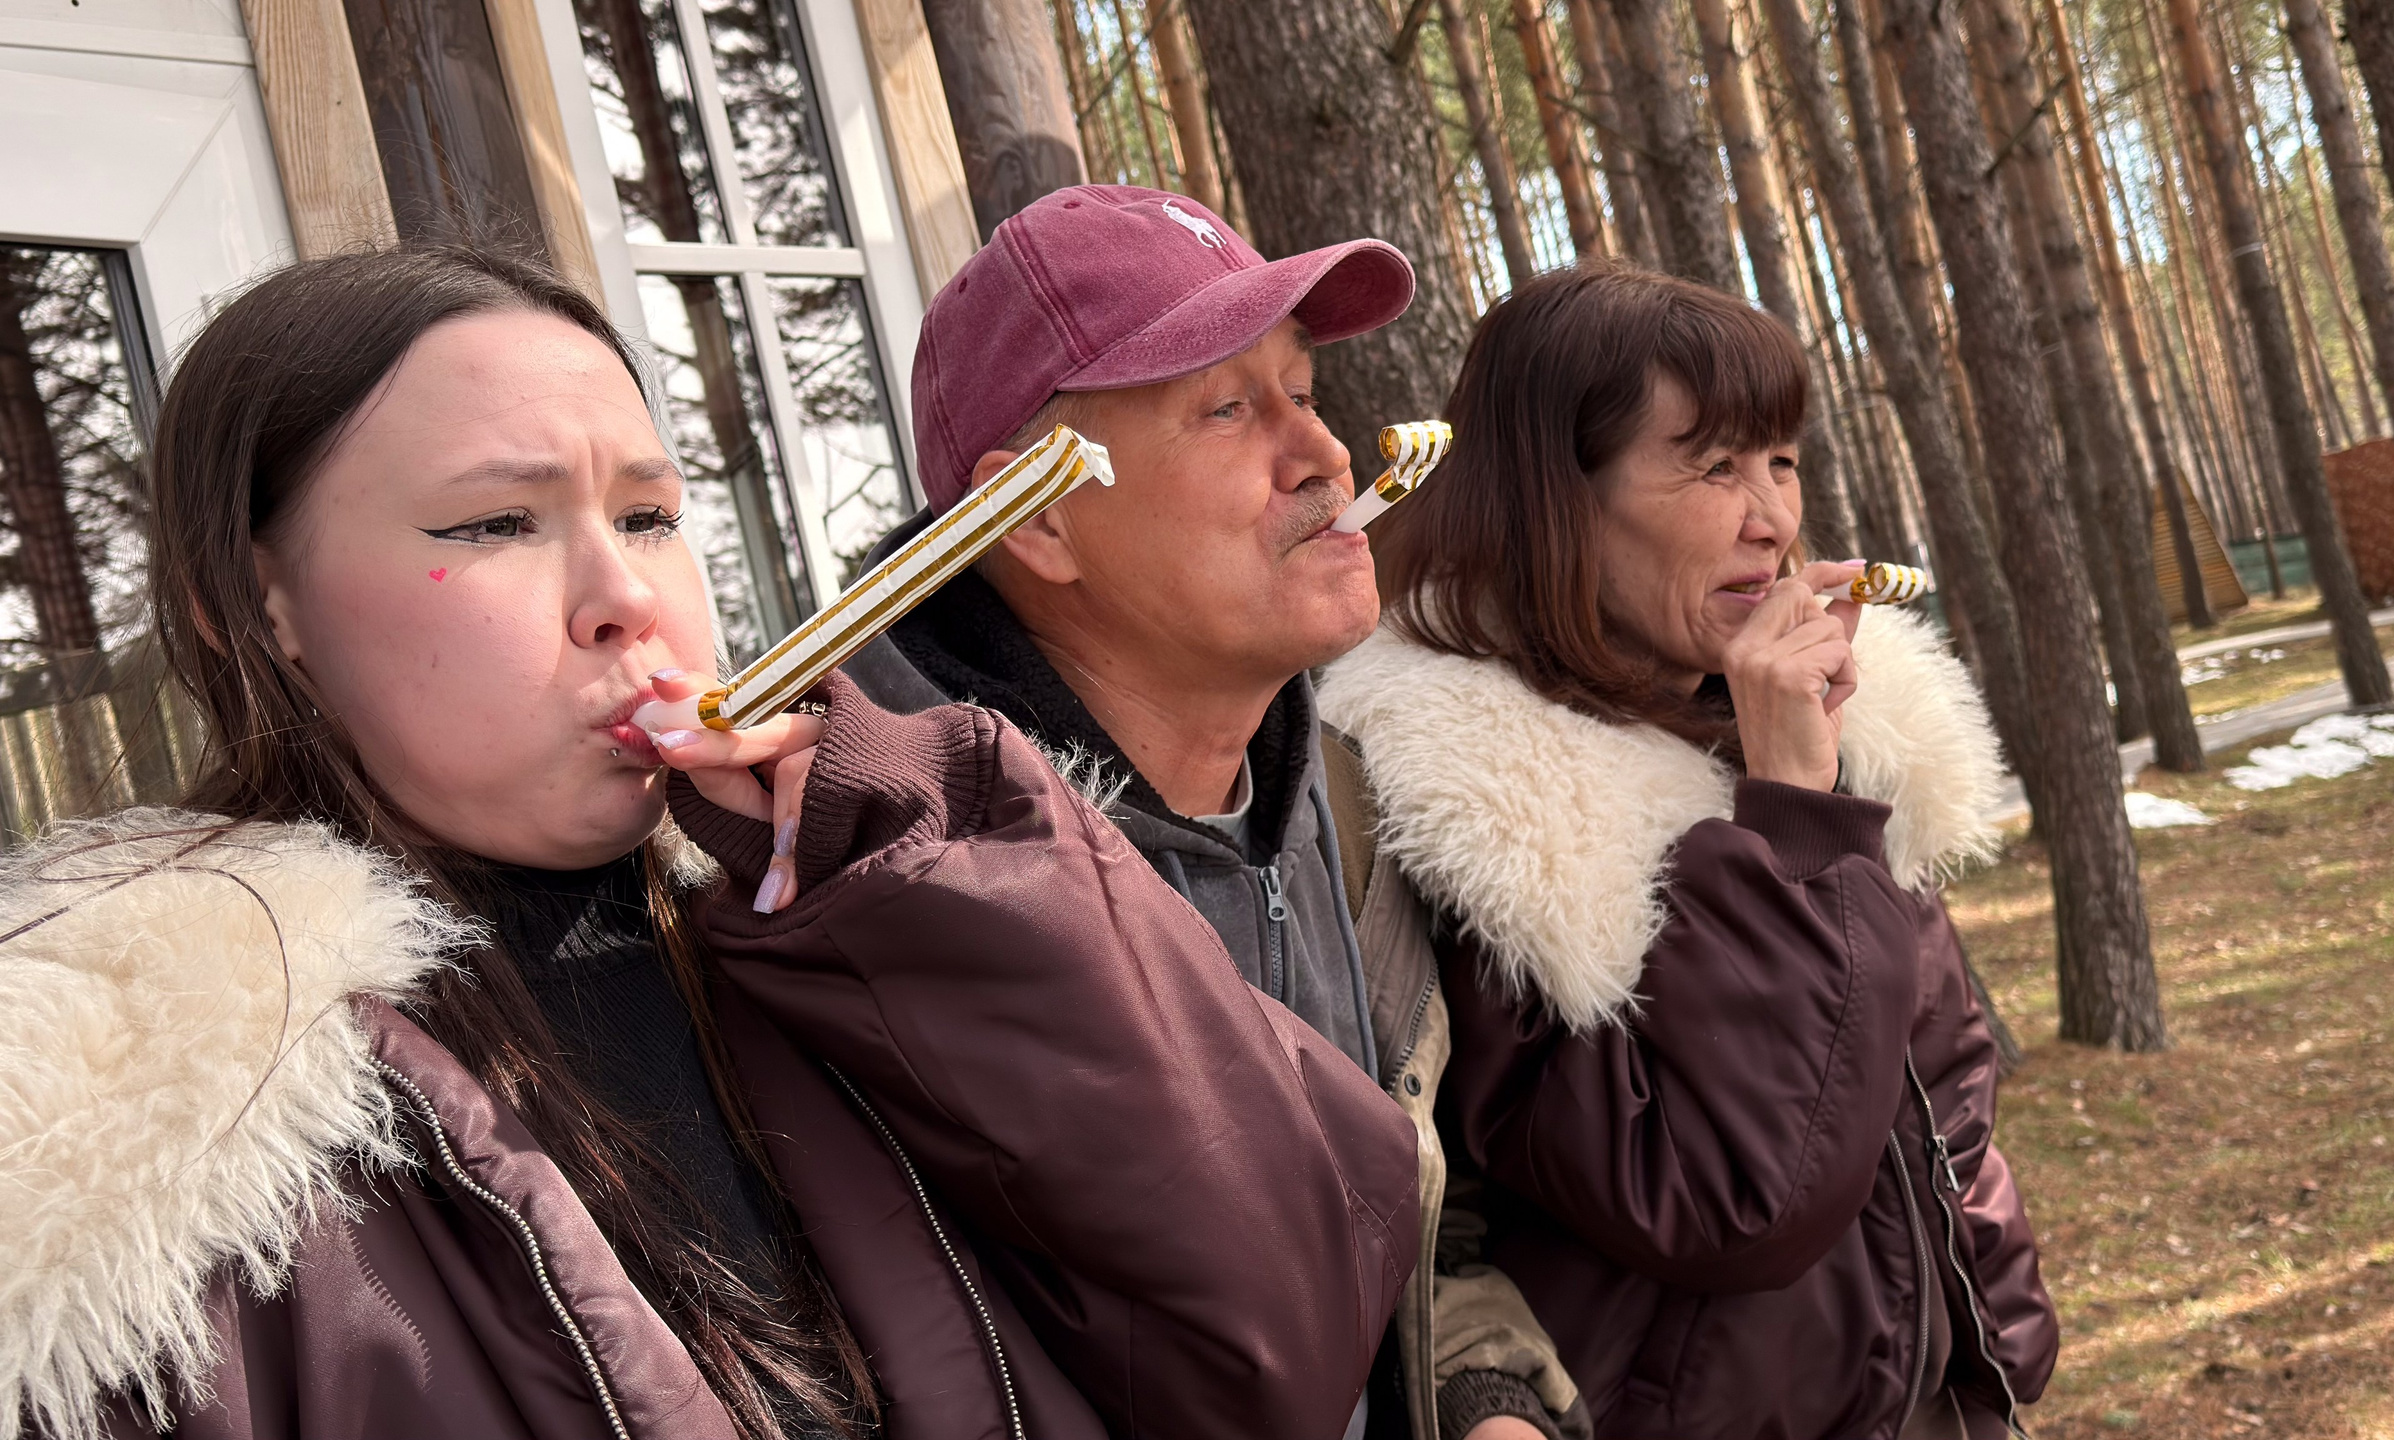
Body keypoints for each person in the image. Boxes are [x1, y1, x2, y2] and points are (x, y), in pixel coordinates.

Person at [0, 244, 1418, 1440]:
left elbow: (1286, 1344)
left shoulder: (840, 922)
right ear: (252, 609)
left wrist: (955, 893)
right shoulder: (151, 1149)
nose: (625, 596)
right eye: (497, 521)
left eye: (652, 514)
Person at [840, 184, 1581, 1440]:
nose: (1325, 457)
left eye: (1301, 388)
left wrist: (1486, 1401)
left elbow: (1412, 1225)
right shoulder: (881, 896)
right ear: (1043, 516)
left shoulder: (1340, 808)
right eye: (1227, 409)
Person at [1318, 263, 2059, 1438]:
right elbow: (1726, 1198)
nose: (1770, 516)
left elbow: (1942, 1094)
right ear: (1552, 494)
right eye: (1711, 465)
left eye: (1780, 459)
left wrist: (1993, 1359)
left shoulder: (1805, 726)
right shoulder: (1481, 803)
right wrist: (1789, 818)